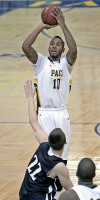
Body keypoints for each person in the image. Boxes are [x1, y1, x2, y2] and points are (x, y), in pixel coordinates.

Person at [22, 7, 77, 161]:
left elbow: (74, 49)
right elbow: (26, 47)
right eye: (52, 44)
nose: (54, 46)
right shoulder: (41, 62)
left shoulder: (67, 64)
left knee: (62, 157)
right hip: (45, 113)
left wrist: (62, 24)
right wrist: (41, 26)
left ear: (62, 49)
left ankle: (59, 183)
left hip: (61, 113)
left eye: (58, 44)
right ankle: (48, 184)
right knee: (48, 154)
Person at [19, 80, 73, 200]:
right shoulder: (59, 167)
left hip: (24, 193)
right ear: (65, 142)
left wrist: (30, 98)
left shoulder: (43, 142)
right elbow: (72, 191)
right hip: (38, 197)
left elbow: (33, 122)